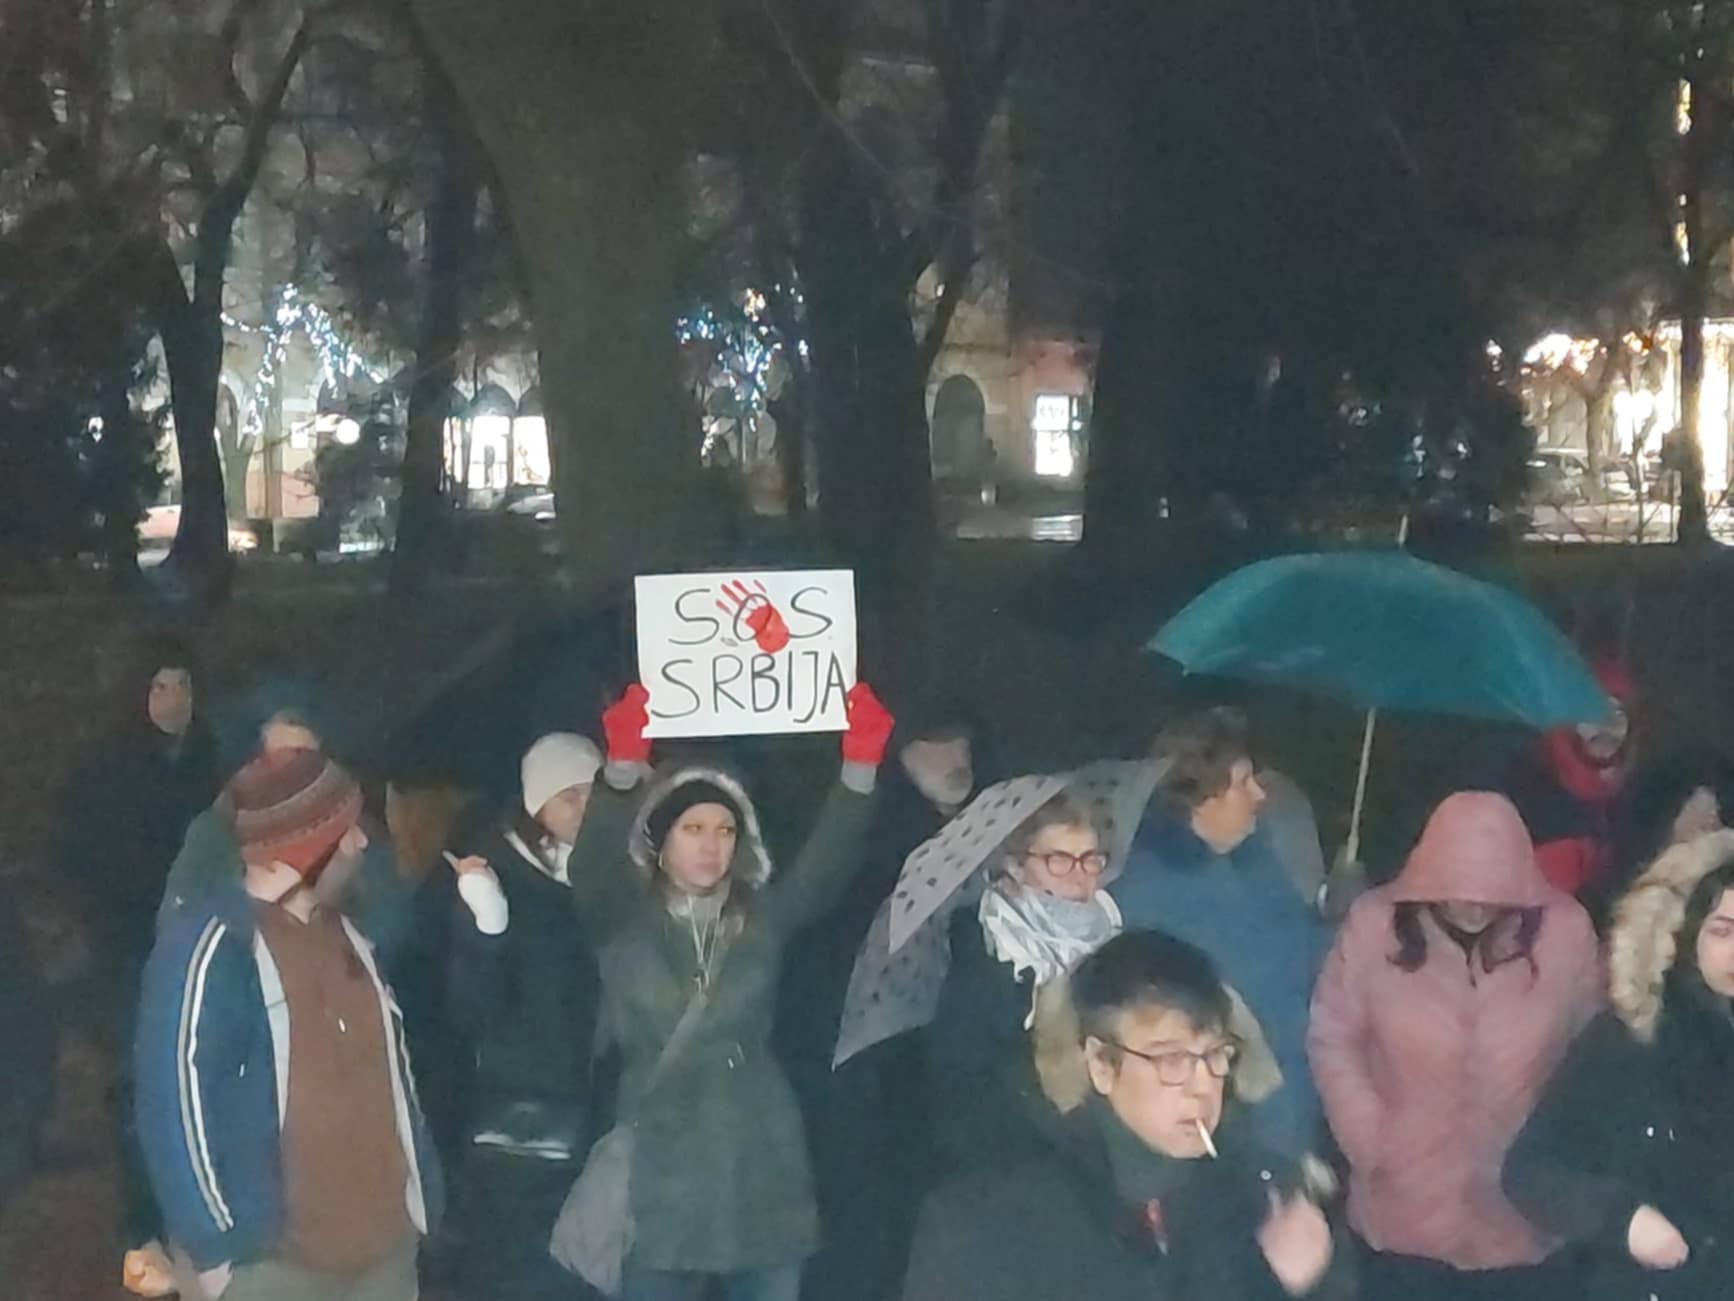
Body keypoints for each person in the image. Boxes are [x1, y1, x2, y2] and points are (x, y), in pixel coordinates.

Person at [557, 681, 892, 1301]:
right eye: (693, 828)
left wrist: (860, 768)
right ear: (660, 840)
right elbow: (596, 862)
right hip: (663, 1168)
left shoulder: (760, 919)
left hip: (759, 1158)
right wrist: (624, 768)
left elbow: (826, 863)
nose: (712, 846)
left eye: (725, 829)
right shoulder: (622, 921)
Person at [134, 747, 442, 1301]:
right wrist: (219, 1243)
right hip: (278, 1270)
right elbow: (173, 1102)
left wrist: (421, 1198)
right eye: (348, 832)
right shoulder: (215, 946)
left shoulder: (350, 935)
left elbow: (396, 1073)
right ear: (310, 849)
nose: (363, 843)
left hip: (386, 1255)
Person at [902, 929, 1351, 1301]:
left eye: (1215, 1054)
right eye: (1169, 1060)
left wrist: (1310, 1282)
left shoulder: (1260, 1194)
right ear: (1100, 1064)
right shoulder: (988, 1221)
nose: (1202, 1085)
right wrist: (1265, 1283)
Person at [1307, 791, 1601, 1300]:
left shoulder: (1567, 933)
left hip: (1523, 1213)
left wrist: (1561, 1153)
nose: (1474, 905)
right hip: (1402, 1212)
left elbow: (1593, 1053)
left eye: (1492, 891)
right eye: (1458, 887)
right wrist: (1372, 1139)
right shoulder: (1373, 925)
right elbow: (1333, 1035)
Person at [1505, 825, 1734, 1300]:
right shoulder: (1628, 1040)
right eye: (1723, 931)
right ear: (1684, 932)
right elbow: (1530, 1169)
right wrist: (1622, 1218)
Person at [57, 635, 219, 1298]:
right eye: (160, 687)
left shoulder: (211, 764)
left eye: (182, 686)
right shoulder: (106, 770)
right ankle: (141, 1228)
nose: (174, 701)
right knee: (139, 1086)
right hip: (133, 952)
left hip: (203, 946)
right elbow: (75, 857)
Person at [1110, 707, 1326, 1158]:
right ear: (1202, 796)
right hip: (1229, 1131)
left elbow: (1302, 960)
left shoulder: (1255, 856)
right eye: (1243, 780)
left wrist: (1343, 918)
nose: (1259, 793)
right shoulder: (1152, 893)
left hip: (1298, 1105)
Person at [439, 733, 606, 1301]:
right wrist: (488, 926)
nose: (585, 808)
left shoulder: (612, 876)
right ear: (537, 807)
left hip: (601, 1110)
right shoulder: (495, 880)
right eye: (569, 796)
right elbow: (471, 1009)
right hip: (527, 1125)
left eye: (594, 792)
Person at [927, 793, 1120, 1170]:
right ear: (1015, 866)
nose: (1082, 877)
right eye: (1059, 861)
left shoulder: (1116, 928)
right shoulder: (985, 960)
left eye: (1091, 858)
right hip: (1031, 1164)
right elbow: (963, 1096)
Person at [158, 692, 414, 967]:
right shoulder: (213, 836)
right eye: (279, 762)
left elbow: (391, 930)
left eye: (307, 765)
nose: (294, 782)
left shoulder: (354, 832)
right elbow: (180, 935)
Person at [1500, 658, 1636, 902]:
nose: (1607, 725)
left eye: (1619, 713)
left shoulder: (1624, 805)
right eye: (1592, 711)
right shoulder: (1522, 786)